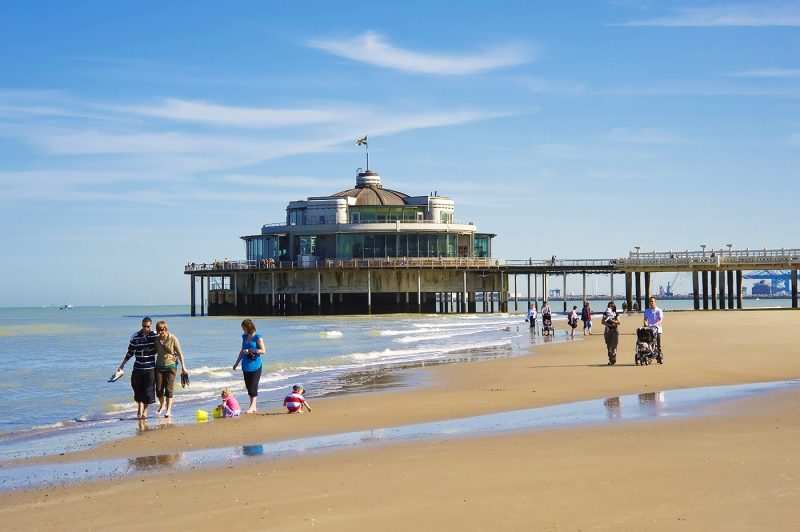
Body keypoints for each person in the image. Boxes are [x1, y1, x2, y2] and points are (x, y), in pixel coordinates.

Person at [116, 317, 157, 419]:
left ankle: (145, 411)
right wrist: (122, 365)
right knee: (137, 388)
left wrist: (174, 355)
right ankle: (140, 405)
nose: (146, 328)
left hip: (150, 367)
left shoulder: (155, 335)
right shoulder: (135, 336)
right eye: (144, 326)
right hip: (138, 367)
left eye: (148, 326)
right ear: (141, 325)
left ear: (150, 326)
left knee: (148, 390)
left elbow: (165, 344)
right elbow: (130, 352)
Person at [153, 320, 189, 418]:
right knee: (159, 390)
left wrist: (183, 367)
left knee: (169, 390)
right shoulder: (156, 339)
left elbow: (180, 353)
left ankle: (168, 410)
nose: (160, 332)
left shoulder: (173, 338)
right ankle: (162, 405)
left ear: (166, 329)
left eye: (162, 329)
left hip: (171, 366)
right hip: (159, 367)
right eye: (158, 330)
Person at [233, 318, 265, 413]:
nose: (243, 330)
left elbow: (263, 351)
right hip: (245, 365)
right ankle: (252, 406)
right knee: (248, 387)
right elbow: (241, 350)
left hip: (256, 365)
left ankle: (253, 406)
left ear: (249, 327)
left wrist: (251, 350)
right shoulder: (244, 337)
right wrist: (236, 363)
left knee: (253, 386)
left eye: (244, 328)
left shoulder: (258, 337)